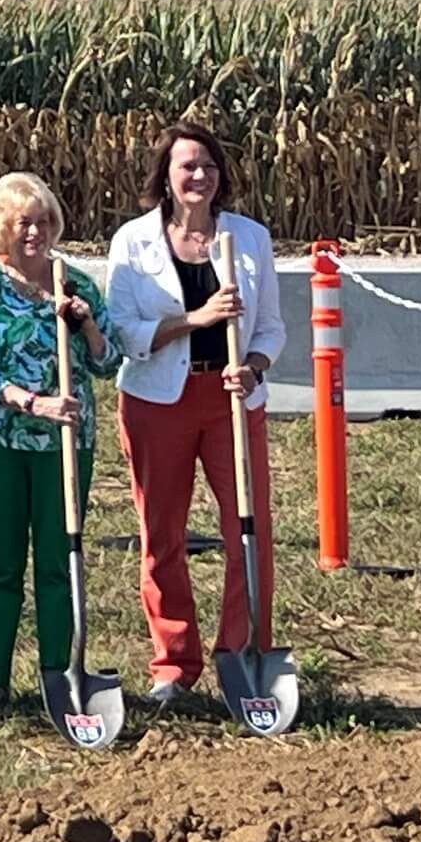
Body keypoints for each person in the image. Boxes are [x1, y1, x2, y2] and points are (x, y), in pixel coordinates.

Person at [105, 122, 285, 705]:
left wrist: (253, 366)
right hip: (158, 401)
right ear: (165, 177)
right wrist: (198, 319)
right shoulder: (133, 242)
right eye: (187, 166)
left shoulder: (250, 238)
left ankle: (244, 651)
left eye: (208, 165)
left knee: (248, 530)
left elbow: (272, 328)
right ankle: (174, 665)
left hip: (232, 400)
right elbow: (124, 333)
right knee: (163, 534)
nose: (199, 176)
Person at [0, 172, 121, 712]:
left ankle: (59, 671)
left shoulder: (76, 286)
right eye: (23, 222)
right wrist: (33, 402)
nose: (35, 232)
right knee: (3, 561)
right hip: (2, 439)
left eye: (44, 220)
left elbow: (107, 361)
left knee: (59, 558)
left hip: (66, 446)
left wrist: (88, 326)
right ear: (3, 228)